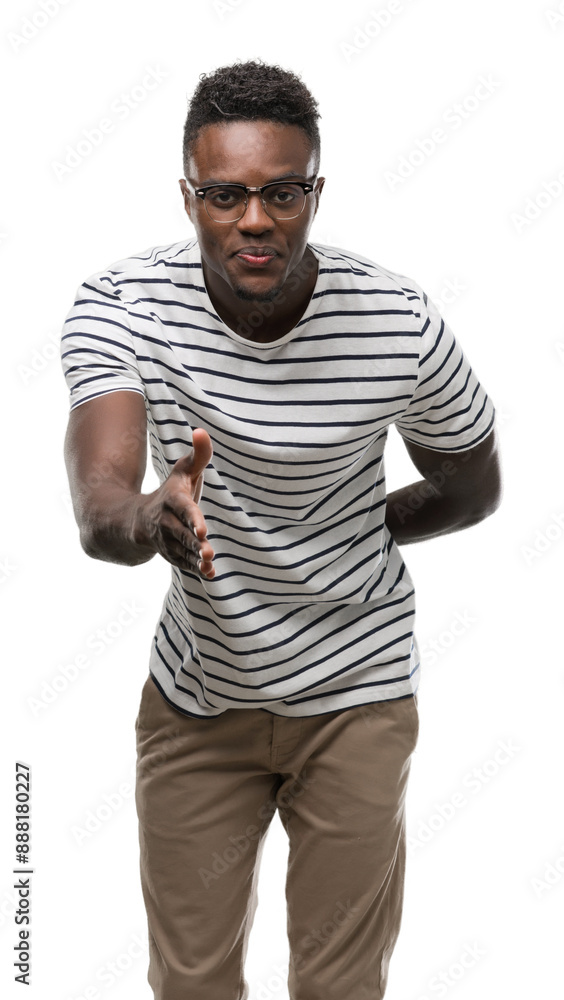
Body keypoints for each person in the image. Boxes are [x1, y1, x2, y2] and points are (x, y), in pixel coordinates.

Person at [60, 59, 502, 1000]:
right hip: (199, 696)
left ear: (314, 190)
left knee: (340, 986)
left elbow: (473, 488)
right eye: (224, 194)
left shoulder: (399, 321)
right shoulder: (123, 306)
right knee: (190, 981)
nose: (254, 220)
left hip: (359, 694)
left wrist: (341, 537)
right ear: (189, 195)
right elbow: (103, 502)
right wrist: (152, 512)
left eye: (282, 192)